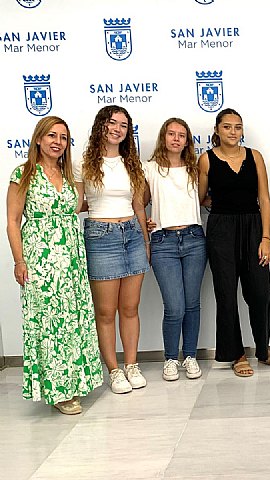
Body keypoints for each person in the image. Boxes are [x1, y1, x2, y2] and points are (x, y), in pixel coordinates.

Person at [6, 116, 103, 414]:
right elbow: (12, 221)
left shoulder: (69, 174)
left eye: (63, 137)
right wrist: (19, 261)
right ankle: (57, 391)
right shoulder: (23, 174)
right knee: (49, 324)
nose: (57, 142)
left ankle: (76, 383)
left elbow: (84, 206)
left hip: (72, 258)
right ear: (38, 139)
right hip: (40, 260)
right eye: (51, 135)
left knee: (72, 320)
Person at [198, 108, 270, 377]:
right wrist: (222, 208)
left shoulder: (254, 156)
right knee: (226, 295)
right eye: (227, 127)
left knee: (260, 293)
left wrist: (266, 238)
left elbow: (265, 199)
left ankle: (263, 349)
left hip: (253, 228)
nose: (233, 132)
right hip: (221, 230)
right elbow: (201, 197)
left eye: (237, 127)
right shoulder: (206, 160)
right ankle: (236, 354)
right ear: (217, 130)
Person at [74, 105, 150, 393]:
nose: (118, 129)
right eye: (112, 123)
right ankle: (114, 370)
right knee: (105, 312)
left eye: (123, 125)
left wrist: (145, 239)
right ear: (101, 126)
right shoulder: (83, 163)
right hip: (100, 235)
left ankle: (131, 365)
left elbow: (138, 204)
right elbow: (78, 203)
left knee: (130, 308)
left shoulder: (132, 163)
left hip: (131, 233)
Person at [143, 118, 207, 381]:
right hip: (163, 242)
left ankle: (190, 356)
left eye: (182, 135)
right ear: (163, 137)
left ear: (187, 141)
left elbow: (204, 199)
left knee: (192, 304)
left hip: (193, 238)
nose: (176, 139)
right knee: (174, 306)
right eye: (171, 134)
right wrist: (142, 222)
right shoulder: (149, 169)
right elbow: (140, 201)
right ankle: (170, 358)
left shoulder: (195, 169)